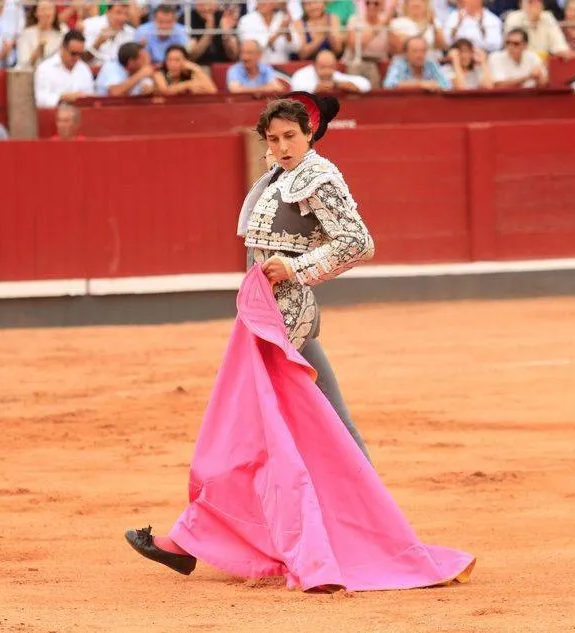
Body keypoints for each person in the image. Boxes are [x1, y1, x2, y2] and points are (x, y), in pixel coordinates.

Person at [124, 92, 476, 593]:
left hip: (284, 323)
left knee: (252, 434)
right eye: (273, 139)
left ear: (310, 135)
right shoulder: (278, 175)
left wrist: (297, 268)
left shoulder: (319, 176)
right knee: (314, 429)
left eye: (291, 136)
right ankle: (359, 530)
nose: (283, 146)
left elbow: (358, 243)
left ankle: (202, 540)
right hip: (264, 316)